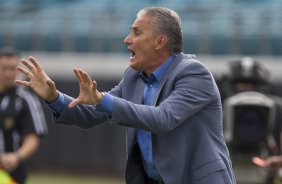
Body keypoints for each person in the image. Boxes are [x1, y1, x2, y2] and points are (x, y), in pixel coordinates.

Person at [16, 6, 236, 184]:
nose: (127, 39)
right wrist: (53, 97)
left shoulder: (194, 73)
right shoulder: (132, 77)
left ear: (160, 42)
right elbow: (89, 115)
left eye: (137, 32)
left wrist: (104, 100)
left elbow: (163, 118)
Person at [0, 47, 48, 184]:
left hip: (11, 174)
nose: (9, 73)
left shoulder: (26, 99)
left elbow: (33, 137)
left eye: (12, 68)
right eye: (4, 68)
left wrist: (16, 157)